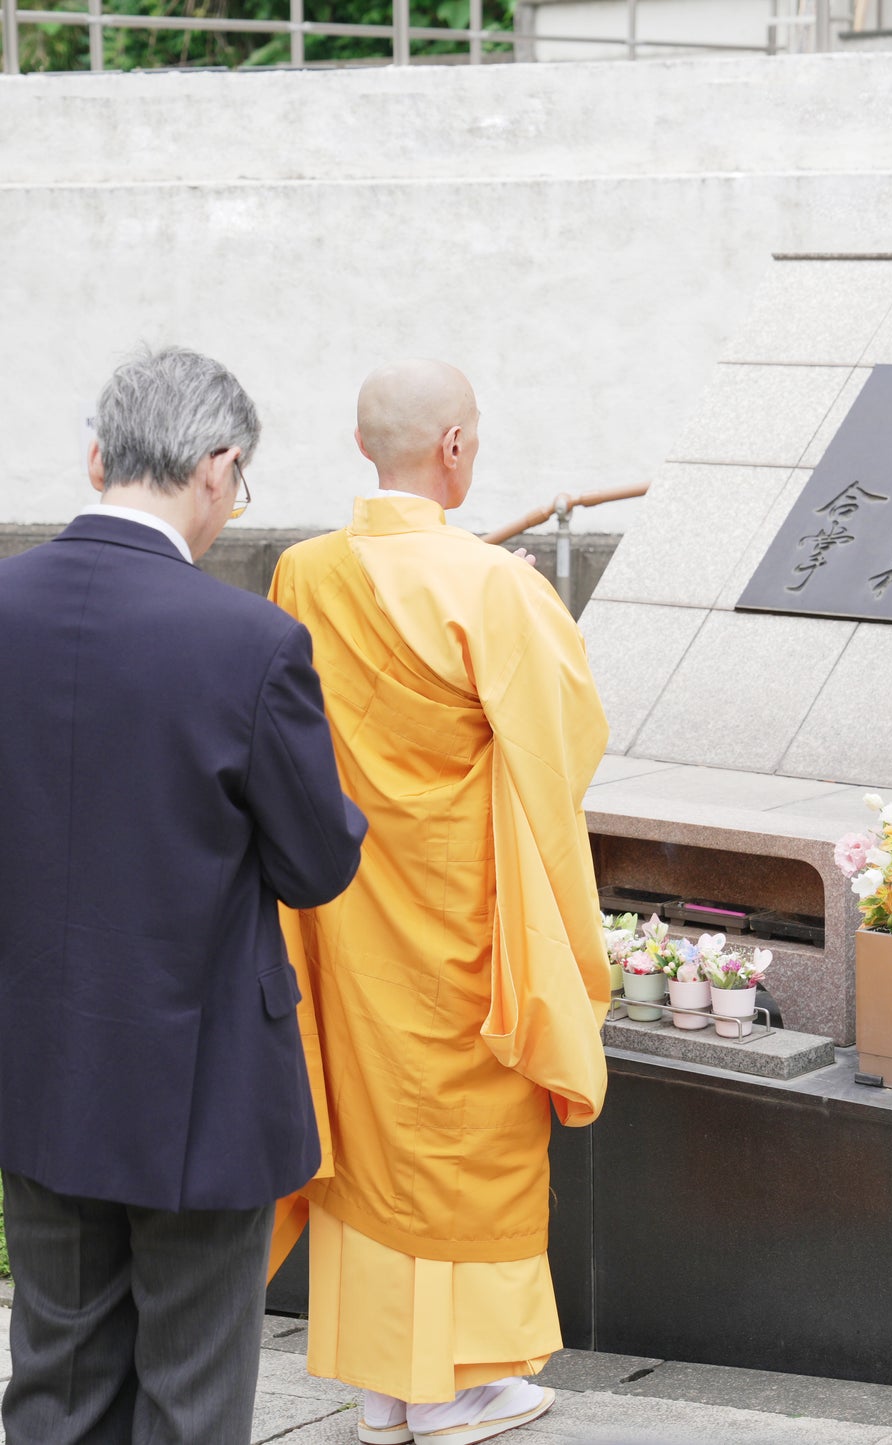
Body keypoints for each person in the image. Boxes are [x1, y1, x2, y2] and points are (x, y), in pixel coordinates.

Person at [0, 347, 368, 1445]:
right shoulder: (248, 642)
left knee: (55, 1378)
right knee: (192, 1392)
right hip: (197, 1080)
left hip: (33, 1059)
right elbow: (317, 863)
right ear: (219, 467)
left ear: (99, 456)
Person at [267, 359, 610, 1445]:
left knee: (365, 1126)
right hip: (465, 913)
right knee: (468, 1132)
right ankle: (451, 1382)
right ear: (454, 447)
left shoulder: (300, 573)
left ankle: (384, 1383)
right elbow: (563, 744)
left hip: (345, 913)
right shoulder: (494, 584)